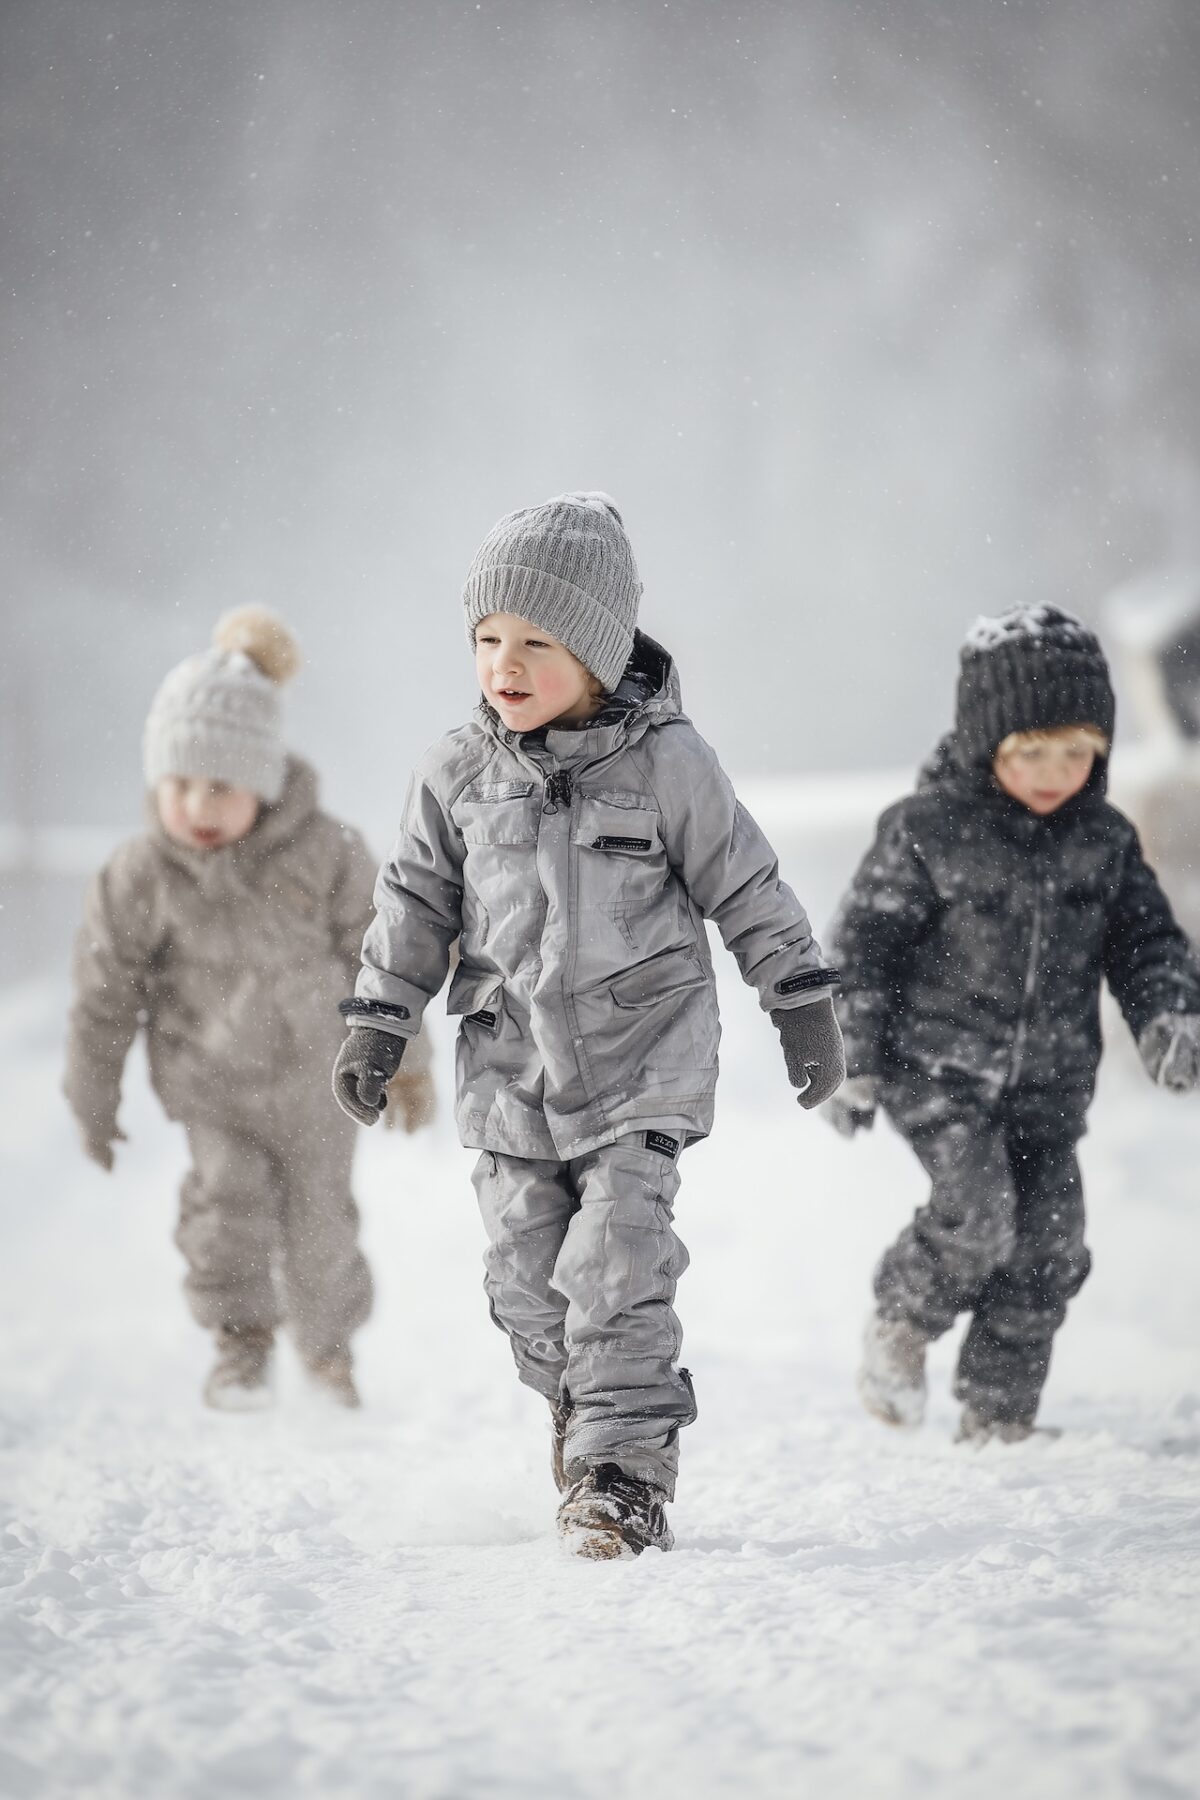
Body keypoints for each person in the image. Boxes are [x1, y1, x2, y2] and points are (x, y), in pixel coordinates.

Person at [332, 492, 843, 1557]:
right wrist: (382, 1018)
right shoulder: (456, 772)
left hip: (640, 1067)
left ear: (601, 654)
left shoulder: (669, 764)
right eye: (486, 639)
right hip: (510, 1073)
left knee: (617, 1267)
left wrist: (797, 996)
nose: (503, 664)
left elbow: (744, 885)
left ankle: (621, 1471)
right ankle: (581, 1406)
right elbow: (414, 903)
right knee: (529, 1284)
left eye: (535, 641)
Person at [827, 605, 1200, 1442]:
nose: (1054, 772)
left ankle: (999, 1418)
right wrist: (846, 1056)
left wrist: (1171, 1012)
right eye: (1031, 752)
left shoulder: (1103, 842)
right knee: (979, 1212)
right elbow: (861, 949)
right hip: (938, 1077)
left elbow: (1147, 944)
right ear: (984, 742)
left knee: (1051, 1247)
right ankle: (901, 1326)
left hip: (1050, 1086)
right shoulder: (925, 833)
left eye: (1078, 754)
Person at [65, 607, 434, 1411]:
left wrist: (404, 1065)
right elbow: (103, 998)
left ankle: (328, 1353)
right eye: (180, 783)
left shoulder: (328, 852)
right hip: (214, 1090)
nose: (198, 804)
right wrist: (93, 1098)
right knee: (224, 1212)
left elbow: (387, 963)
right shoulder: (140, 877)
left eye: (221, 785)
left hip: (319, 1087)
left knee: (321, 1232)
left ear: (261, 782)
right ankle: (241, 1345)